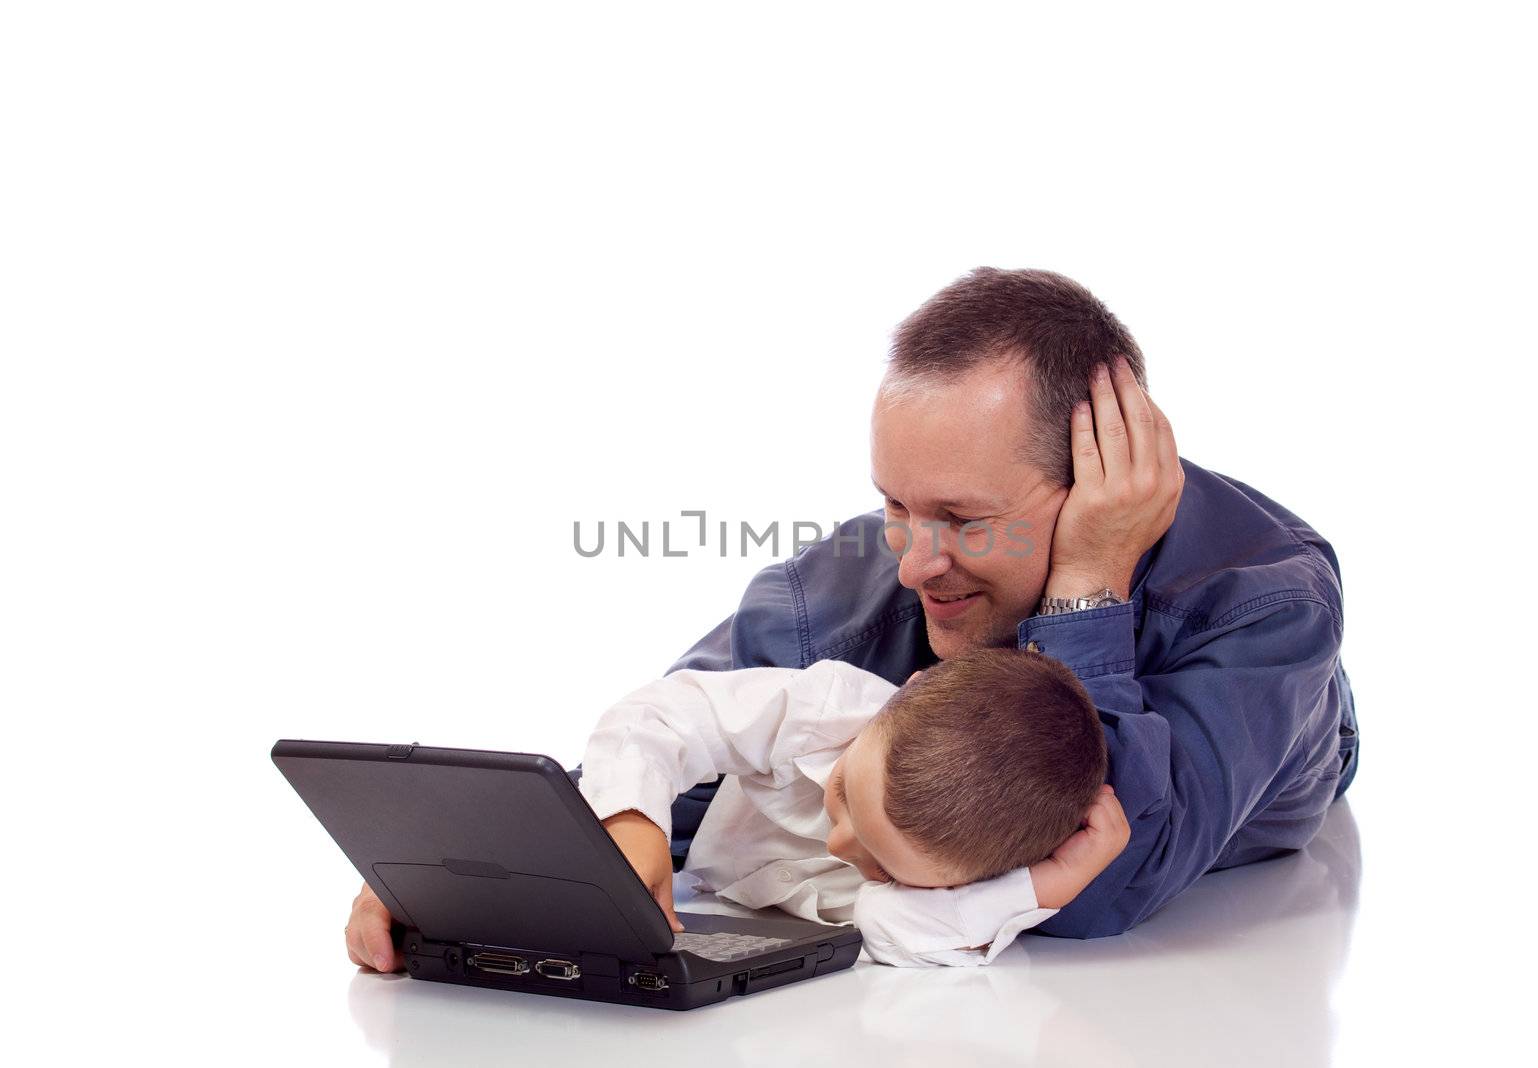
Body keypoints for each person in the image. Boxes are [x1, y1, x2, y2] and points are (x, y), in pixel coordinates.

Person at [344, 267, 1359, 970]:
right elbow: (679, 757)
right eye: (895, 504)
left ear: (1097, 480)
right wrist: (505, 881)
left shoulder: (1266, 601)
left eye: (961, 519)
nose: (914, 563)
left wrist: (1087, 586)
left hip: (1289, 776)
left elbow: (1102, 890)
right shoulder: (836, 603)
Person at [579, 647, 1128, 967]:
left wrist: (1052, 882)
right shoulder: (829, 707)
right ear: (898, 696)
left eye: (884, 868)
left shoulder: (976, 861)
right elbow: (672, 712)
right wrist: (631, 817)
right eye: (842, 792)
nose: (840, 846)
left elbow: (890, 929)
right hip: (688, 869)